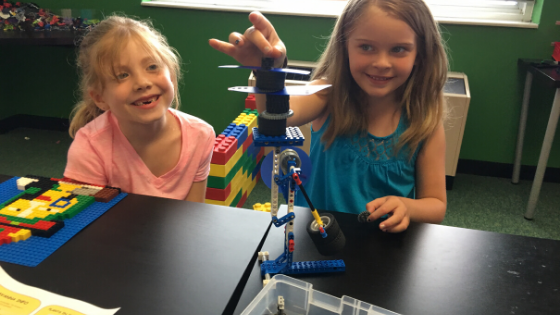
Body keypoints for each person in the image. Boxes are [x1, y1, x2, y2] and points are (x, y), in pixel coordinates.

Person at [209, 0, 448, 232]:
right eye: (366, 47)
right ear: (345, 47)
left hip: (385, 247)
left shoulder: (424, 121)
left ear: (421, 54)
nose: (381, 63)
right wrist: (267, 70)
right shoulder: (328, 94)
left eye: (398, 49)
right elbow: (276, 116)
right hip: (316, 237)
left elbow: (436, 205)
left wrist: (407, 207)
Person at [65, 15, 215, 202]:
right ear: (100, 98)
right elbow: (85, 219)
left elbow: (194, 215)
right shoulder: (89, 149)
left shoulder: (201, 135)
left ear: (172, 75)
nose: (142, 83)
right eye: (122, 75)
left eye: (152, 67)